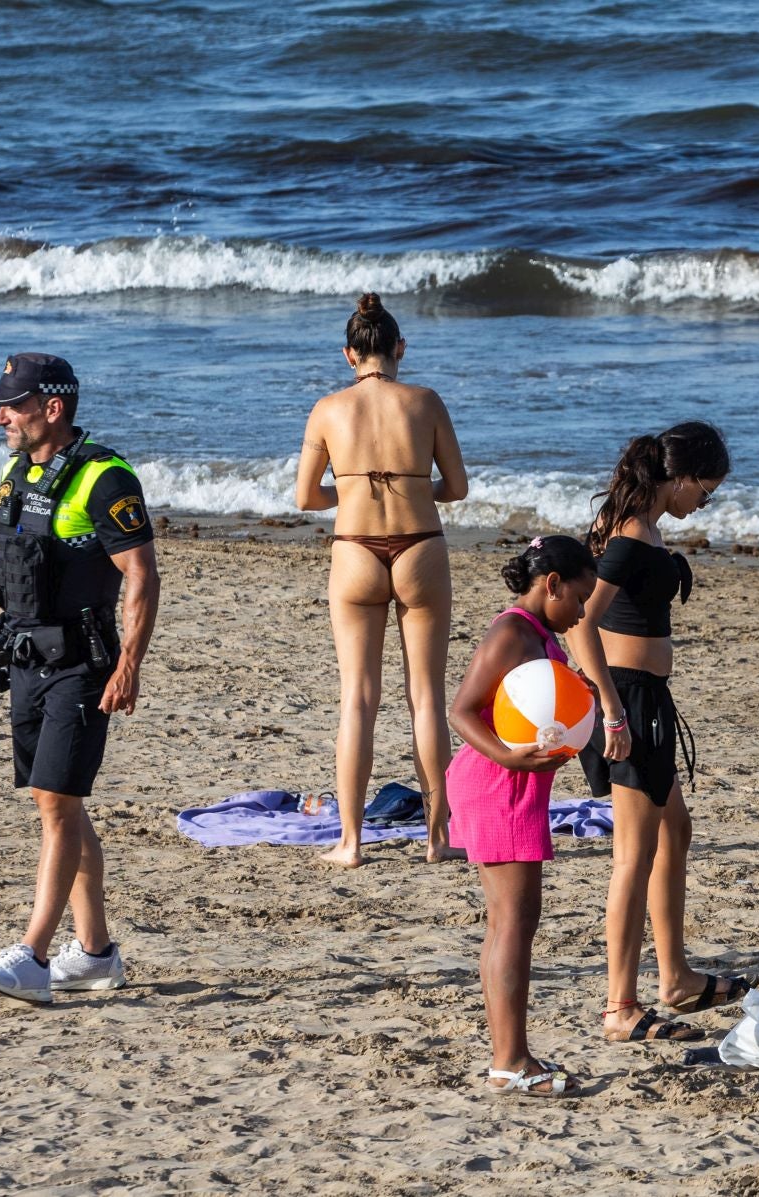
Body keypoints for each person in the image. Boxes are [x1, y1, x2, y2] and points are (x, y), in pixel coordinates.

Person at [0, 352, 160, 1005]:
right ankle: (94, 952)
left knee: (58, 803)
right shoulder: (17, 473)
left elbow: (141, 576)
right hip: (27, 663)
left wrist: (129, 664)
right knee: (54, 800)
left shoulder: (106, 478)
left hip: (84, 665)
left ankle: (33, 954)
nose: (1, 415)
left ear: (53, 408)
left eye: (14, 404)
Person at [568, 421, 750, 1044]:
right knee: (633, 855)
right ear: (679, 476)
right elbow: (577, 623)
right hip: (631, 703)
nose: (705, 500)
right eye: (706, 488)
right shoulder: (626, 542)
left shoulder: (640, 532)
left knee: (676, 828)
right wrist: (613, 711)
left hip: (647, 700)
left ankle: (675, 977)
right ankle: (621, 1006)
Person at [295, 293, 469, 868]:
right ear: (399, 349)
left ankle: (349, 842)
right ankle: (438, 839)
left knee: (357, 700)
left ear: (349, 354)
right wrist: (417, 489)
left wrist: (350, 491)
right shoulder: (425, 402)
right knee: (425, 696)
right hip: (421, 546)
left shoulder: (328, 409)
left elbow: (305, 497)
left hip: (354, 552)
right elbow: (457, 487)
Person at [445, 536, 598, 1097]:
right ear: (551, 584)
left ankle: (509, 1056)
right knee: (514, 924)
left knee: (509, 924)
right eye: (578, 598)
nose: (582, 611)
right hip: (497, 784)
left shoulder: (538, 634)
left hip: (514, 785)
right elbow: (460, 710)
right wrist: (509, 756)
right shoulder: (511, 632)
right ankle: (510, 1061)